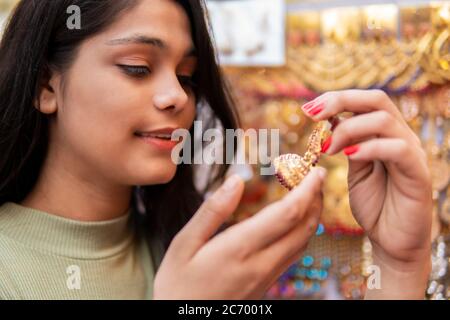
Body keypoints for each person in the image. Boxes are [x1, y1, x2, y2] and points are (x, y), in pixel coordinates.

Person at [0, 0, 432, 300]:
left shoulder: (191, 253)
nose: (177, 97)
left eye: (187, 77)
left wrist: (399, 265)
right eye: (138, 68)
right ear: (46, 85)